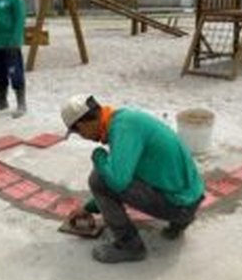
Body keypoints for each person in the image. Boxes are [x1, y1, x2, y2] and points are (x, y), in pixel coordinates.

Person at [61, 94, 205, 264]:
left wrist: (99, 157)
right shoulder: (126, 121)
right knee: (119, 168)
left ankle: (129, 246)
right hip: (191, 199)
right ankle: (179, 224)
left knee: (98, 178)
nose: (82, 137)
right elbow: (127, 172)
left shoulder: (123, 129)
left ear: (84, 123)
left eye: (78, 132)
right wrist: (88, 208)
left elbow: (117, 182)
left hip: (179, 206)